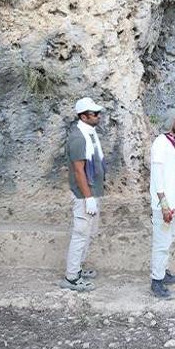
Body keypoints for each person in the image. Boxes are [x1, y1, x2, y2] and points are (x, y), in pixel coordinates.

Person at [60, 97, 107, 292]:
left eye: (97, 113)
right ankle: (71, 277)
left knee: (87, 233)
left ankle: (77, 268)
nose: (98, 116)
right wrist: (88, 197)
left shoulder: (89, 133)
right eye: (94, 114)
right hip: (84, 195)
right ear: (83, 116)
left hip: (92, 191)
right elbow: (79, 170)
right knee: (80, 234)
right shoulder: (79, 138)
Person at [149, 110, 175, 299]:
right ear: (170, 120)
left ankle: (163, 272)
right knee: (161, 243)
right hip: (163, 206)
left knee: (169, 239)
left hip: (174, 203)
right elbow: (157, 177)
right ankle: (156, 282)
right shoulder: (160, 143)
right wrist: (165, 205)